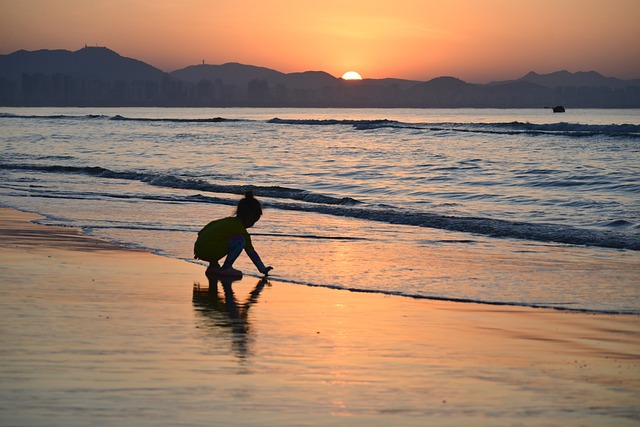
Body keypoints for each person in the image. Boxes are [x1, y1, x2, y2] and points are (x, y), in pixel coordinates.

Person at [194, 191, 273, 277]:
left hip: (199, 250)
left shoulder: (225, 222)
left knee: (219, 238)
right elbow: (251, 252)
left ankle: (213, 266)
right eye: (254, 221)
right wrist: (262, 269)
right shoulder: (240, 229)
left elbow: (204, 231)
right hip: (210, 251)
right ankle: (226, 267)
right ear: (249, 216)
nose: (252, 225)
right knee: (240, 240)